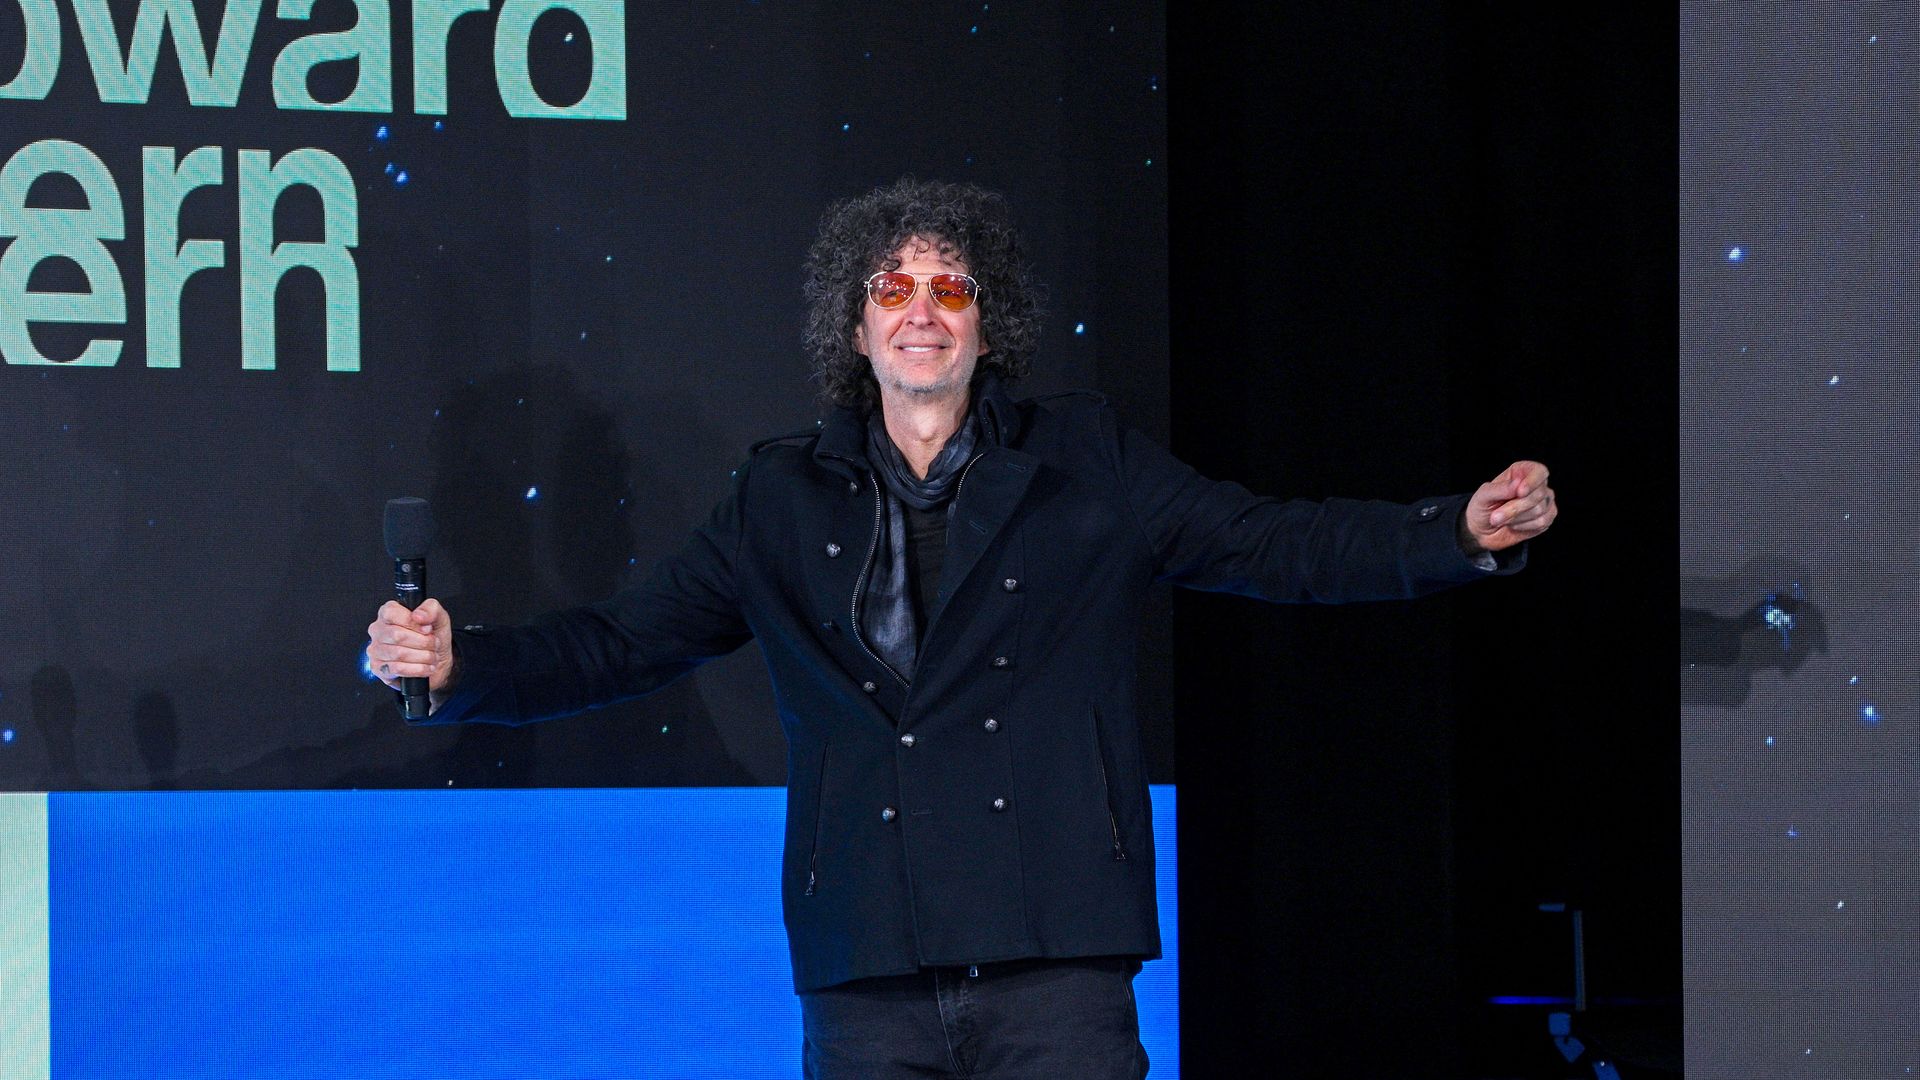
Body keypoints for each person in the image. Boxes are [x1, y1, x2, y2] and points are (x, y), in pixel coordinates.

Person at [364, 177, 1557, 1078]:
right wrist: (467, 664)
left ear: (992, 324)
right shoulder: (776, 495)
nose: (920, 312)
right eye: (892, 289)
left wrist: (1451, 531)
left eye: (950, 289)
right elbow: (625, 642)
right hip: (866, 966)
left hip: (1056, 964)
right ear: (854, 322)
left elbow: (1270, 543)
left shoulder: (1086, 462)